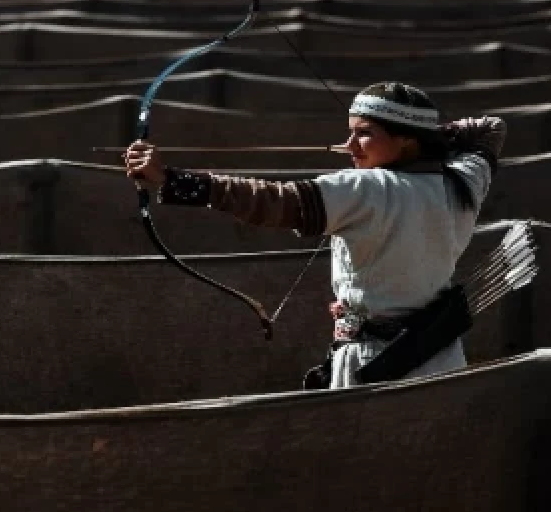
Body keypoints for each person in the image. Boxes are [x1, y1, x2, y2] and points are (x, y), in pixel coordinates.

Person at [124, 81, 507, 389]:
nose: (351, 145)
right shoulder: (464, 180)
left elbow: (271, 201)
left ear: (406, 140)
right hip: (442, 361)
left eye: (365, 134)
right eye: (351, 133)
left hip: (376, 367)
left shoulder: (367, 188)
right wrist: (429, 139)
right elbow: (491, 130)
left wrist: (173, 181)